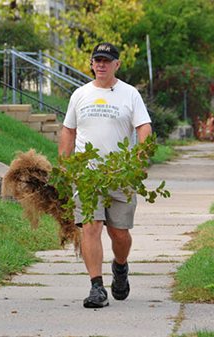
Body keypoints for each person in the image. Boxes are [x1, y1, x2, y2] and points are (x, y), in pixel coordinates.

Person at [58, 42, 152, 309]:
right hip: (87, 175)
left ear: (116, 65)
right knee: (91, 227)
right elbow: (68, 131)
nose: (100, 65)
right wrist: (65, 165)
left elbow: (144, 127)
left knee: (119, 233)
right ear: (91, 64)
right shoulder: (80, 95)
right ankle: (96, 287)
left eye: (106, 61)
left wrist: (139, 159)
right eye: (96, 60)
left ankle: (120, 267)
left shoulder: (130, 94)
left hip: (120, 174)